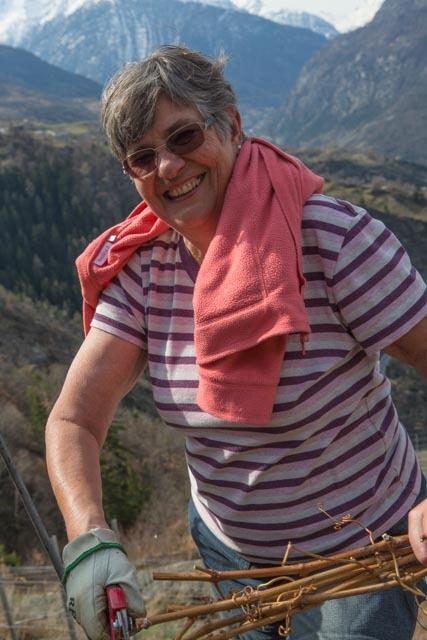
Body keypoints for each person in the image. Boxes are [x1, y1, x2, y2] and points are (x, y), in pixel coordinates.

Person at [45, 45, 427, 640]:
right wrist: (89, 538)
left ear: (231, 124)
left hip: (363, 551)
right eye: (142, 157)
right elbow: (74, 421)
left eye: (184, 136)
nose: (168, 166)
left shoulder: (329, 240)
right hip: (232, 559)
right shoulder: (143, 270)